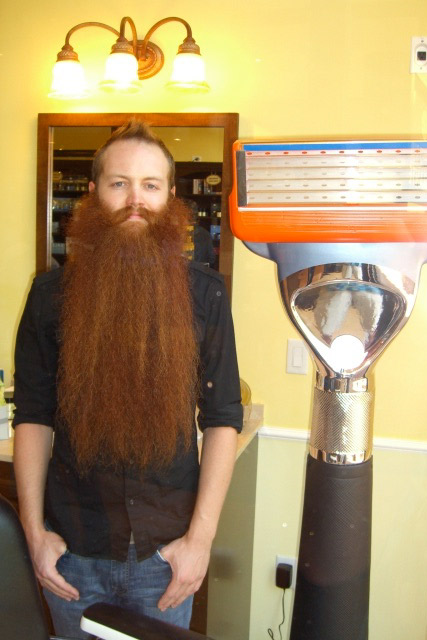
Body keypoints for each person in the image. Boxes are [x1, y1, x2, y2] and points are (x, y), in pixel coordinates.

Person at [12, 121, 243, 639]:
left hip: (165, 555)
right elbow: (33, 416)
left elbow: (224, 418)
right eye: (119, 183)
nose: (135, 199)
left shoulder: (205, 295)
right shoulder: (49, 297)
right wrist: (34, 533)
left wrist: (200, 542)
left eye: (150, 185)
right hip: (73, 549)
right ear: (94, 193)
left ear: (169, 197)